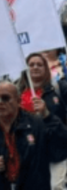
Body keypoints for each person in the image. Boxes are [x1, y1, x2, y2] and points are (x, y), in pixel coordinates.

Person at [0, 80, 67, 189]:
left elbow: (62, 143)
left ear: (18, 101)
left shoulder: (35, 123)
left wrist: (47, 116)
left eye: (5, 98)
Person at [18, 53, 67, 189]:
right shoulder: (16, 94)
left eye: (39, 65)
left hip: (57, 151)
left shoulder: (58, 88)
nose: (35, 67)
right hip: (31, 154)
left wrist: (46, 113)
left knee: (56, 186)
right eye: (31, 65)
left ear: (46, 68)